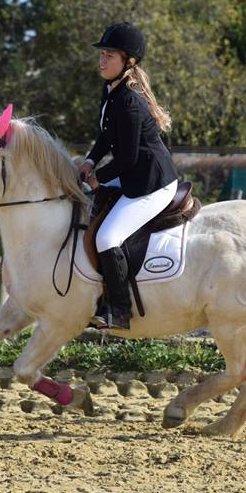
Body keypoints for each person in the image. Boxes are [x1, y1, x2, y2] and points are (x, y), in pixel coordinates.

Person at [80, 22, 179, 330]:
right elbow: (105, 137)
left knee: (108, 236)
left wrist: (99, 177)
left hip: (151, 183)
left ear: (128, 61)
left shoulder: (129, 101)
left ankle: (118, 311)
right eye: (102, 54)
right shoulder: (111, 91)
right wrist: (90, 160)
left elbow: (127, 158)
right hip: (133, 174)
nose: (102, 60)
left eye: (109, 55)